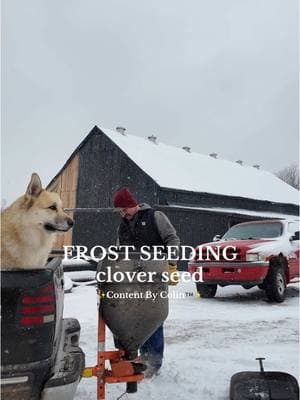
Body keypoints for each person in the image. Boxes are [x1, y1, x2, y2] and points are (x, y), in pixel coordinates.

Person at [113, 187, 180, 377]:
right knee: (136, 318)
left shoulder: (155, 217)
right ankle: (143, 356)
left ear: (132, 204)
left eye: (124, 208)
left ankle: (155, 362)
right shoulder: (122, 225)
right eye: (120, 210)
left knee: (154, 317)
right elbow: (119, 250)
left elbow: (172, 239)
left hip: (156, 276)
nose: (122, 213)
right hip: (133, 278)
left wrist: (172, 264)